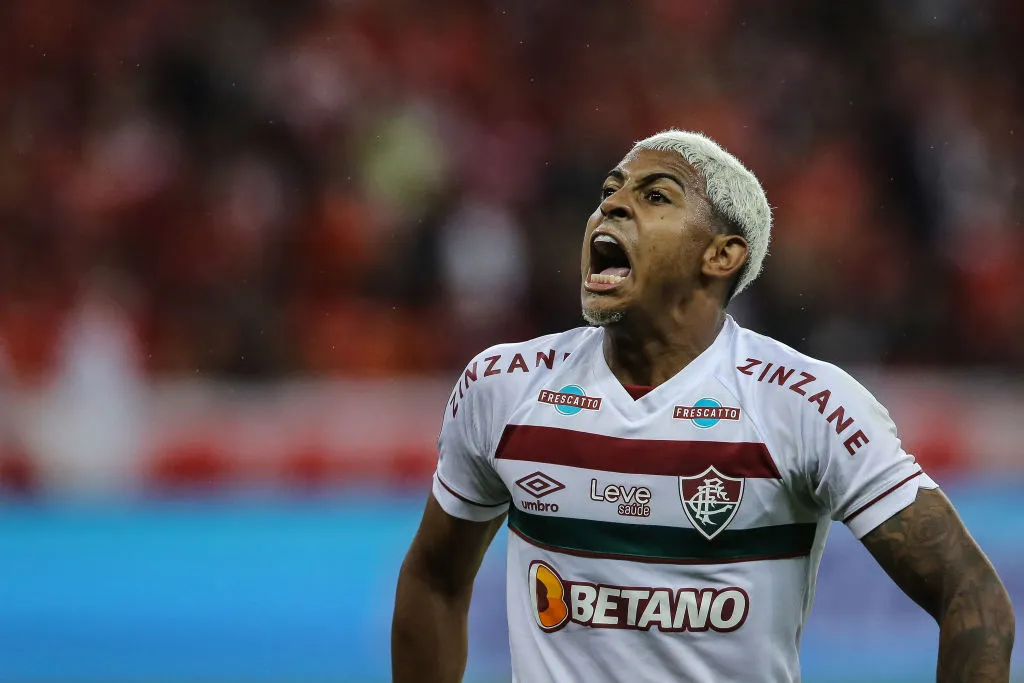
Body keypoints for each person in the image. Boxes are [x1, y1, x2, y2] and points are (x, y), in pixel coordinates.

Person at [391, 130, 1014, 682]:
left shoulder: (803, 405)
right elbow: (434, 581)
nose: (612, 204)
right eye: (611, 191)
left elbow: (971, 592)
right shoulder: (504, 386)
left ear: (721, 255)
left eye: (655, 196)